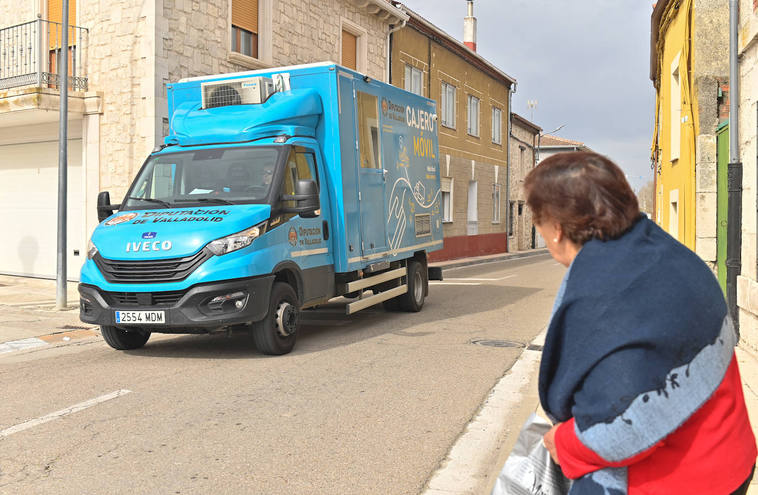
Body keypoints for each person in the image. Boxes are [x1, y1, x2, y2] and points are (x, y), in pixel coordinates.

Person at [525, 151, 756, 494]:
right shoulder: (666, 253)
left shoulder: (608, 292)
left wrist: (565, 442)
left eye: (537, 221)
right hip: (732, 458)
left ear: (556, 229)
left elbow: (625, 426)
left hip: (676, 481)